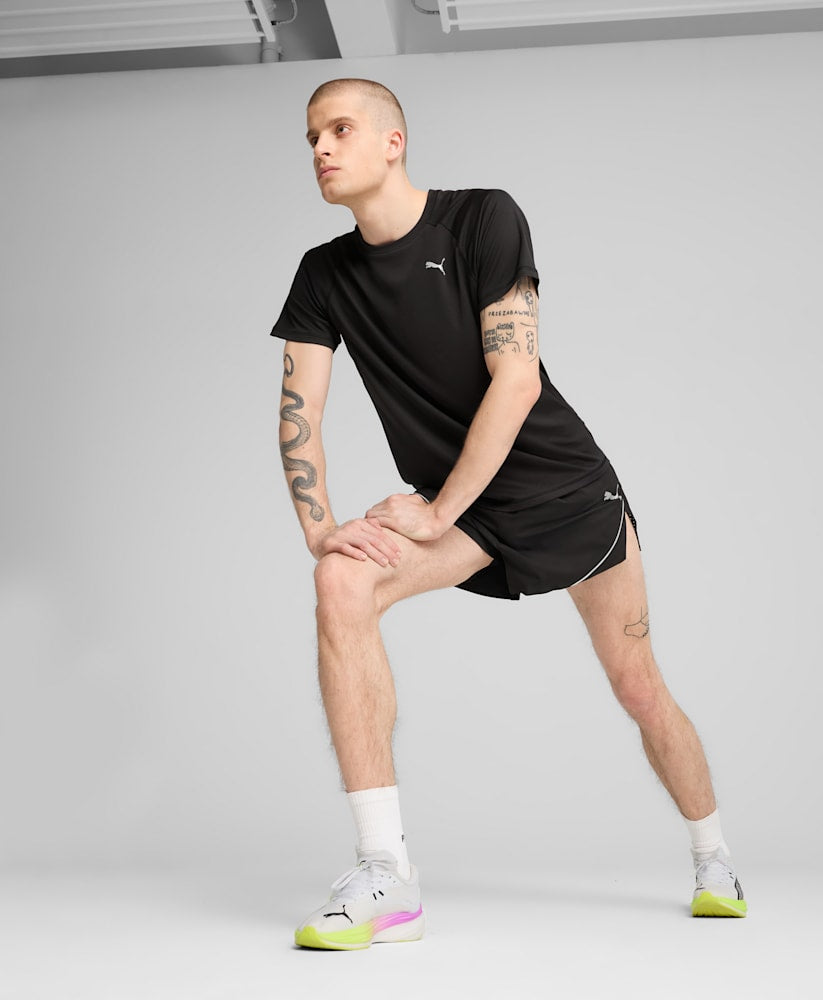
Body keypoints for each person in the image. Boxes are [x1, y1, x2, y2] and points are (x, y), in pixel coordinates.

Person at [271, 78, 746, 950]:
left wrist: (435, 513)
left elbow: (517, 380)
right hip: (468, 514)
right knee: (340, 580)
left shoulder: (482, 219)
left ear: (394, 141)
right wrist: (319, 527)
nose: (321, 150)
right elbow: (299, 405)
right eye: (311, 138)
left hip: (563, 490)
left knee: (638, 687)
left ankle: (713, 857)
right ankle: (386, 872)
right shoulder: (322, 274)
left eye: (339, 129)